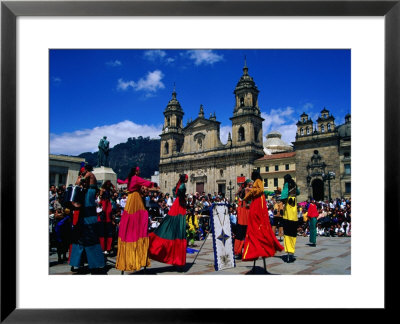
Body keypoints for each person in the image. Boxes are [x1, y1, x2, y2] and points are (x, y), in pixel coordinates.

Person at [115, 166, 158, 273]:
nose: (139, 172)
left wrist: (118, 181)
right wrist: (154, 185)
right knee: (140, 219)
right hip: (135, 200)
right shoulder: (135, 178)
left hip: (130, 200)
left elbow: (122, 181)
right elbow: (145, 182)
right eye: (138, 170)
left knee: (129, 220)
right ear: (136, 171)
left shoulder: (130, 179)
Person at [242, 171, 284, 273]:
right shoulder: (258, 181)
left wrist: (248, 196)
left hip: (257, 204)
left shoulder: (258, 181)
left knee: (256, 223)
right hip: (257, 203)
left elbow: (259, 190)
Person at [68, 164, 106, 274]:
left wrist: (80, 178)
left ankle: (92, 263)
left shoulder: (90, 174)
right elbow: (77, 185)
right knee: (82, 234)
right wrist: (79, 179)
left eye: (83, 170)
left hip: (89, 196)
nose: (82, 172)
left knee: (88, 226)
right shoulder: (85, 176)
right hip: (86, 207)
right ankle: (81, 262)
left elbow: (80, 182)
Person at [148, 174, 189, 269]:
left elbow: (174, 190)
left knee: (172, 225)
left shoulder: (179, 185)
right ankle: (178, 259)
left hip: (177, 205)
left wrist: (179, 196)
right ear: (185, 179)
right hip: (180, 206)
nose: (187, 179)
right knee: (179, 230)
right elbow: (178, 192)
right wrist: (183, 198)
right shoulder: (182, 185)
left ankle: (176, 258)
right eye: (187, 178)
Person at [281, 174, 300, 263]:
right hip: (294, 214)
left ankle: (288, 252)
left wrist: (281, 199)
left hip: (288, 213)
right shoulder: (294, 185)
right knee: (293, 234)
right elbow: (298, 192)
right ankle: (292, 252)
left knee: (287, 234)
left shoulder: (286, 185)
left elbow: (284, 196)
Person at [233, 179, 251, 259]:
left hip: (240, 212)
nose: (252, 183)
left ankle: (237, 251)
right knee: (245, 232)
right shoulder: (247, 190)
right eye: (251, 182)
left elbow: (236, 195)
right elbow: (247, 201)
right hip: (245, 212)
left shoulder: (241, 190)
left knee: (239, 233)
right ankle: (245, 251)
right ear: (248, 183)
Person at [98, 180, 116, 255]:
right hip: (104, 204)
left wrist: (112, 185)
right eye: (108, 184)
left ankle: (107, 248)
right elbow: (100, 197)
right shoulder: (102, 190)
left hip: (107, 205)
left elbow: (114, 189)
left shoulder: (109, 190)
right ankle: (103, 248)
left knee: (107, 229)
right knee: (103, 229)